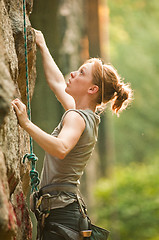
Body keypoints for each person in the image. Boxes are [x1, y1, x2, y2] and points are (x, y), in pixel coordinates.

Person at [11, 29, 132, 240]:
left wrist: (26, 123)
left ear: (92, 89)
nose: (73, 74)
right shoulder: (85, 115)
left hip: (62, 215)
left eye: (81, 72)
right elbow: (57, 82)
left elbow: (61, 149)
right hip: (64, 213)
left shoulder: (76, 118)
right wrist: (42, 45)